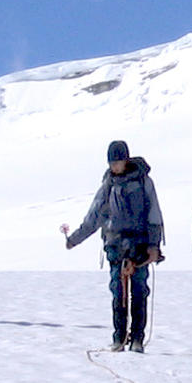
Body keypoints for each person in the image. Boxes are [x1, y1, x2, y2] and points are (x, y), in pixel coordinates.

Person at [63, 140, 164, 352]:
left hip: (139, 246)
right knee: (118, 292)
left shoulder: (144, 181)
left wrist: (153, 244)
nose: (115, 166)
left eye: (118, 161)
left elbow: (154, 213)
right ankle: (119, 337)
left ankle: (137, 339)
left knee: (139, 291)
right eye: (112, 162)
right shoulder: (108, 185)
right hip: (115, 246)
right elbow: (94, 216)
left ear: (126, 160)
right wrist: (74, 239)